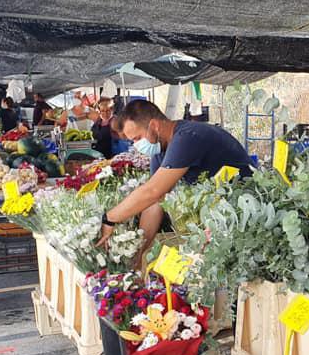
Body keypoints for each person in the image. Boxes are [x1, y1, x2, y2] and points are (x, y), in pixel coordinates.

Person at [95, 99, 254, 264]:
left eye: (138, 138)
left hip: (247, 212)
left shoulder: (187, 137)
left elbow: (152, 192)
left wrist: (110, 218)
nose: (137, 145)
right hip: (221, 217)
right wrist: (138, 256)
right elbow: (154, 203)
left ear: (155, 125)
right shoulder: (161, 150)